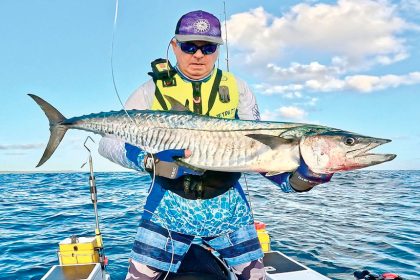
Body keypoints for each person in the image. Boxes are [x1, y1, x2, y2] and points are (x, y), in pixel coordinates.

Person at [99, 10, 333, 280]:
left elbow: (261, 154)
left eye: (208, 47)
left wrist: (301, 180)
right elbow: (108, 144)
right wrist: (149, 162)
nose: (198, 55)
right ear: (174, 45)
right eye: (189, 46)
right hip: (167, 206)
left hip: (228, 207)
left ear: (218, 50)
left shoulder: (237, 88)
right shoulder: (149, 91)